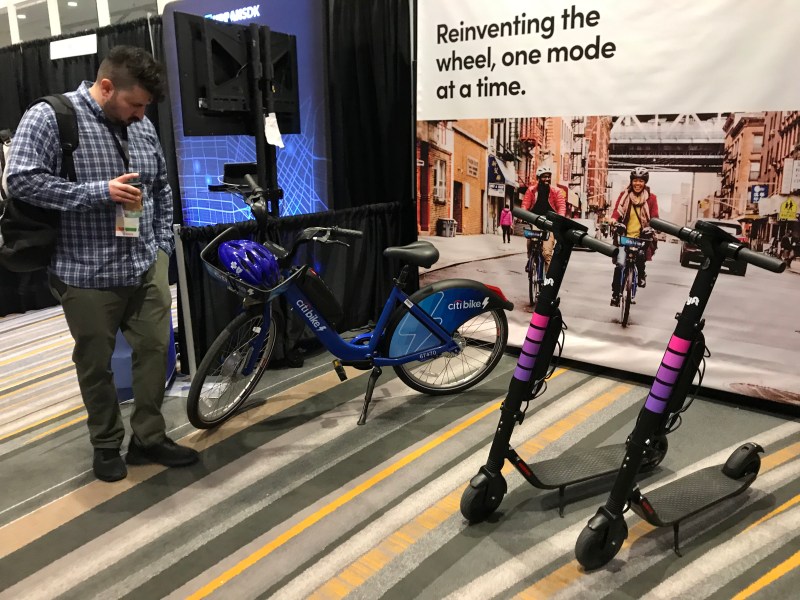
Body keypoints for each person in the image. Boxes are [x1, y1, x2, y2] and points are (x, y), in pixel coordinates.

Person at [5, 46, 198, 482]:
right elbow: (20, 179)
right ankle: (106, 444)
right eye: (135, 104)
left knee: (154, 351)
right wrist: (98, 193)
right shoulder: (50, 117)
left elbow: (161, 185)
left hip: (144, 264)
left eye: (145, 107)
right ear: (106, 87)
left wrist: (161, 244)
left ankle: (148, 437)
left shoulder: (142, 124)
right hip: (85, 272)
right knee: (96, 363)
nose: (140, 114)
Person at [609, 166, 659, 307]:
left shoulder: (652, 198)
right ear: (632, 182)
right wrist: (613, 220)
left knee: (640, 258)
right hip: (624, 235)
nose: (638, 184)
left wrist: (652, 228)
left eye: (641, 181)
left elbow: (654, 217)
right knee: (620, 265)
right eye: (635, 180)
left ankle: (641, 275)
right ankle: (615, 295)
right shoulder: (624, 195)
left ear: (645, 183)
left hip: (641, 236)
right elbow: (617, 211)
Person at [521, 166, 567, 270]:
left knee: (547, 254)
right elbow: (525, 204)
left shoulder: (556, 191)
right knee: (531, 240)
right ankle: (530, 258)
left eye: (548, 176)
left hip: (550, 223)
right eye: (544, 177)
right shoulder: (531, 190)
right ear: (538, 178)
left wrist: (560, 218)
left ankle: (547, 282)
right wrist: (523, 214)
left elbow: (561, 206)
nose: (547, 179)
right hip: (535, 220)